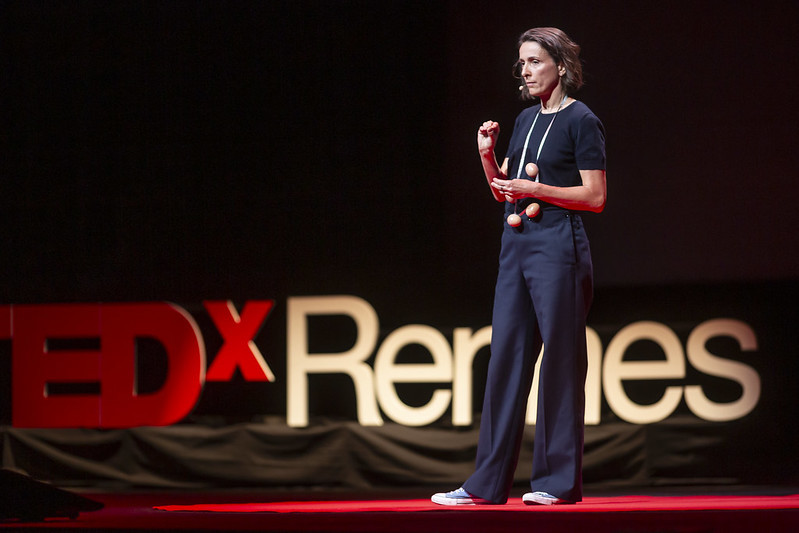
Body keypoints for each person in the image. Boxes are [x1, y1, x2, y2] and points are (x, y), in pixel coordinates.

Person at [432, 27, 606, 506]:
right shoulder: (527, 118)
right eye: (522, 63)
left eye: (534, 62)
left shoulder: (582, 121)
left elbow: (595, 197)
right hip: (517, 246)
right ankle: (486, 485)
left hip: (558, 245)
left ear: (561, 67)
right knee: (505, 359)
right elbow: (504, 191)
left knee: (561, 364)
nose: (525, 72)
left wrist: (537, 191)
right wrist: (487, 157)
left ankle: (557, 483)